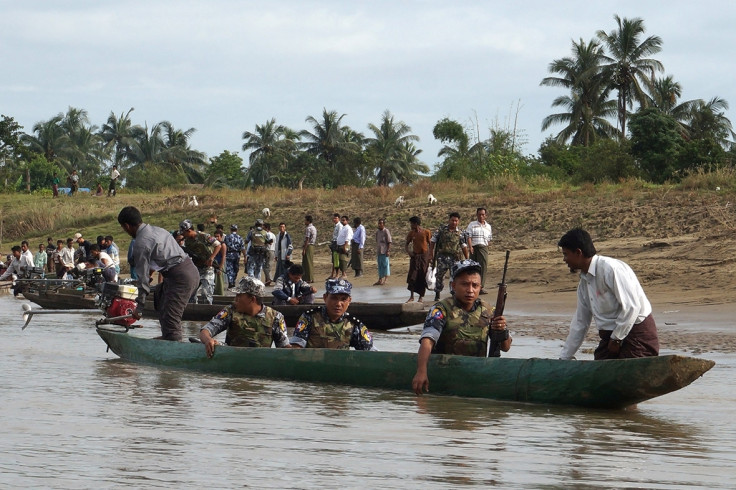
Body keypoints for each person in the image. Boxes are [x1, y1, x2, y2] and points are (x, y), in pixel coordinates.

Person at [557, 228, 659, 360]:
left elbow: (632, 307)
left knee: (624, 375)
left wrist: (616, 339)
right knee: (599, 374)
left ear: (578, 252)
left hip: (636, 334)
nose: (564, 260)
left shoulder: (611, 269)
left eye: (566, 254)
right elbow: (580, 323)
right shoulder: (584, 283)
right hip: (611, 339)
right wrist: (564, 357)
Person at [412, 260, 511, 395]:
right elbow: (427, 341)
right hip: (445, 375)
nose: (470, 290)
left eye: (474, 285)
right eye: (465, 284)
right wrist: (421, 371)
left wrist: (502, 330)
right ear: (453, 286)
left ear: (480, 287)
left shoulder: (488, 311)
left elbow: (505, 347)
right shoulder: (441, 309)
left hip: (476, 375)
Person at [118, 206, 199, 341]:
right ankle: (168, 337)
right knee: (160, 296)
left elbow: (143, 280)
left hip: (181, 277)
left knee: (171, 317)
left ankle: (174, 345)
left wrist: (139, 307)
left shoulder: (140, 243)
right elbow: (161, 259)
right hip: (190, 270)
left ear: (126, 226)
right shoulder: (159, 230)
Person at [199, 276, 290, 357]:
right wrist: (208, 340)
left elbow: (284, 349)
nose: (235, 299)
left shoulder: (276, 317)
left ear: (252, 299)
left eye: (239, 295)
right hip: (232, 360)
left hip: (261, 363)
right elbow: (206, 331)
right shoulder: (230, 311)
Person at [290, 278, 375, 350]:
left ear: (349, 301)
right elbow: (296, 348)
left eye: (343, 299)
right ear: (325, 298)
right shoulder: (309, 317)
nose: (338, 303)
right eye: (334, 298)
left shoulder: (354, 324)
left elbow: (370, 352)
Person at [180, 218, 221, 305]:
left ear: (189, 230)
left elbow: (218, 245)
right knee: (191, 293)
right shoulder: (187, 242)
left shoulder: (204, 236)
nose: (183, 234)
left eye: (184, 232)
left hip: (207, 268)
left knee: (206, 293)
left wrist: (211, 258)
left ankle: (207, 311)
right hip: (195, 268)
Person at [429, 212, 468, 301]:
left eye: (456, 221)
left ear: (458, 221)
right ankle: (437, 293)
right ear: (449, 220)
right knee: (439, 275)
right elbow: (433, 241)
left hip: (455, 258)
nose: (454, 222)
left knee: (454, 276)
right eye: (452, 220)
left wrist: (467, 259)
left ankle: (454, 294)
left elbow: (464, 245)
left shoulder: (461, 232)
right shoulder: (441, 230)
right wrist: (430, 253)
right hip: (442, 257)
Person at [466, 207, 493, 294]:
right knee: (473, 268)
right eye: (479, 214)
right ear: (476, 215)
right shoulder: (472, 224)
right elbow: (469, 236)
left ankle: (481, 287)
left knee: (483, 267)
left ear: (486, 216)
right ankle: (472, 286)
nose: (481, 216)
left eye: (483, 215)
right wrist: (470, 247)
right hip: (474, 247)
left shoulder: (488, 226)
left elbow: (489, 239)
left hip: (483, 248)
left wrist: (487, 248)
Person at [405, 216, 432, 303]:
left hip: (424, 257)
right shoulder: (411, 233)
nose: (411, 225)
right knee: (412, 276)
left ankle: (421, 297)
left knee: (422, 276)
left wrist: (431, 256)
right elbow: (406, 244)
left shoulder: (426, 232)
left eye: (412, 224)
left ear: (416, 224)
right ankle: (412, 296)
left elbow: (431, 245)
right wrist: (409, 252)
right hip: (415, 257)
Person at [223, 224, 245, 288]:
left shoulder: (227, 237)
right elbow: (243, 247)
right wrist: (245, 256)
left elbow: (225, 246)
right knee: (236, 269)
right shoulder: (240, 237)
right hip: (237, 255)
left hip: (229, 254)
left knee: (229, 268)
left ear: (230, 230)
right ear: (237, 230)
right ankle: (233, 281)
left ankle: (230, 282)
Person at [374, 218, 392, 285]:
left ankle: (386, 280)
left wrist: (388, 251)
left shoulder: (386, 231)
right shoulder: (377, 232)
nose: (379, 225)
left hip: (385, 251)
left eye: (381, 223)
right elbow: (377, 241)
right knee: (380, 265)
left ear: (383, 224)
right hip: (379, 251)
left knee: (385, 265)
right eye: (379, 223)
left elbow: (389, 242)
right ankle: (380, 279)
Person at [301, 215, 317, 283]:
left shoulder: (308, 228)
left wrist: (304, 249)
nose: (304, 222)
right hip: (312, 246)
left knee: (307, 262)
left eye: (305, 220)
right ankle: (311, 277)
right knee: (310, 262)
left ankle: (308, 278)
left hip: (308, 246)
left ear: (308, 221)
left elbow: (307, 239)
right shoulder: (313, 227)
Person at [212, 229, 228, 295]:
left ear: (221, 237)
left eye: (218, 236)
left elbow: (223, 256)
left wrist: (220, 268)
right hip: (214, 264)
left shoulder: (223, 245)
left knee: (219, 281)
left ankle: (220, 294)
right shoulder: (214, 243)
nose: (216, 238)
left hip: (219, 264)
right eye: (215, 236)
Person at [329, 213, 343, 279]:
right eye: (334, 218)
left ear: (339, 219)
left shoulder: (339, 226)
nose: (334, 219)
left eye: (336, 218)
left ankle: (337, 274)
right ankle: (332, 274)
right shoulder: (336, 226)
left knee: (336, 259)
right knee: (334, 259)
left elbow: (339, 236)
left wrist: (337, 244)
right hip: (334, 242)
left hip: (337, 243)